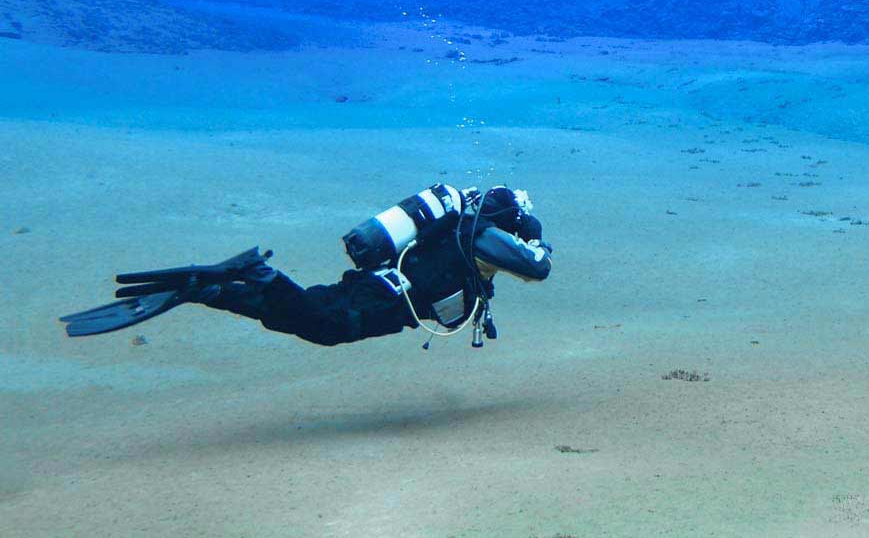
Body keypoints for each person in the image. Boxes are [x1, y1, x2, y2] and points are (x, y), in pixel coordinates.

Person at [60, 184, 552, 347]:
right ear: (506, 218)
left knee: (300, 315)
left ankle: (207, 291)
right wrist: (538, 239)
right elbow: (537, 268)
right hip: (384, 300)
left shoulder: (459, 229)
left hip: (376, 285)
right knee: (321, 327)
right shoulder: (481, 236)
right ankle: (260, 276)